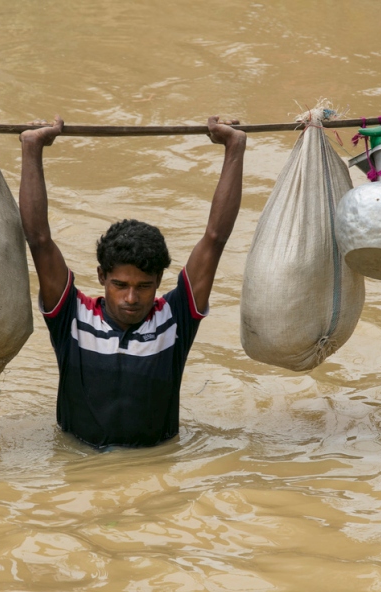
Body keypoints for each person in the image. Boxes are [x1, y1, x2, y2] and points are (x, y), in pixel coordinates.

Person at [19, 115, 246, 449]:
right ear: (101, 278)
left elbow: (215, 238)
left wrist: (234, 148)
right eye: (119, 284)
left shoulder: (175, 319)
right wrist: (31, 148)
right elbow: (38, 239)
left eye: (143, 287)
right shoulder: (72, 317)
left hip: (154, 466)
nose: (130, 298)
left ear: (158, 282)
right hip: (80, 468)